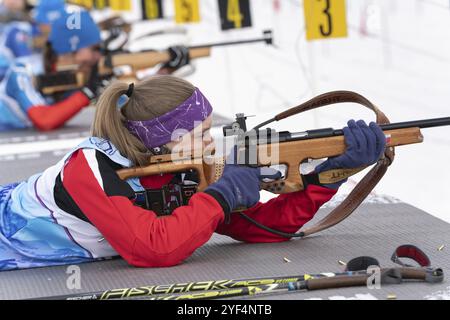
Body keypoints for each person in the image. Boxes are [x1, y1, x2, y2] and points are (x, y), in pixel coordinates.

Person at [0, 75, 387, 271]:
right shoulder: (88, 169)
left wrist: (328, 176)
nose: (210, 142)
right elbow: (153, 247)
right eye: (199, 134)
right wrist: (221, 195)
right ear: (164, 139)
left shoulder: (179, 169)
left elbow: (265, 227)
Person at [0, 9, 102, 131]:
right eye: (95, 48)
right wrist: (87, 93)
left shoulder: (78, 73)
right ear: (70, 51)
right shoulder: (22, 71)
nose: (99, 55)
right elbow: (44, 121)